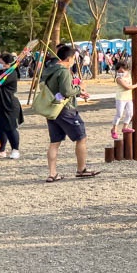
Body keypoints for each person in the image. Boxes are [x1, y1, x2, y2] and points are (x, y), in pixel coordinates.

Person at [41, 45, 100, 182]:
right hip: (66, 109)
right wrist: (80, 88)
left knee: (54, 142)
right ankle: (81, 169)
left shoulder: (49, 69)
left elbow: (60, 89)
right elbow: (66, 91)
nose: (74, 61)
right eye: (74, 58)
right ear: (69, 58)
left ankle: (52, 173)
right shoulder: (63, 71)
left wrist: (78, 92)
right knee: (81, 138)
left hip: (52, 109)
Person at [0, 52, 24, 159]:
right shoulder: (1, 72)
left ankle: (15, 150)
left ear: (6, 62)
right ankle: (1, 149)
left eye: (1, 61)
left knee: (10, 128)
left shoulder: (11, 73)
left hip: (9, 105)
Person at [110, 60, 137, 140]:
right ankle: (114, 129)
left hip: (128, 97)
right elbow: (127, 87)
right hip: (120, 98)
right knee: (119, 114)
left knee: (130, 113)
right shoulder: (118, 78)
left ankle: (125, 127)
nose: (120, 72)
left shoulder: (129, 74)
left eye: (122, 70)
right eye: (119, 71)